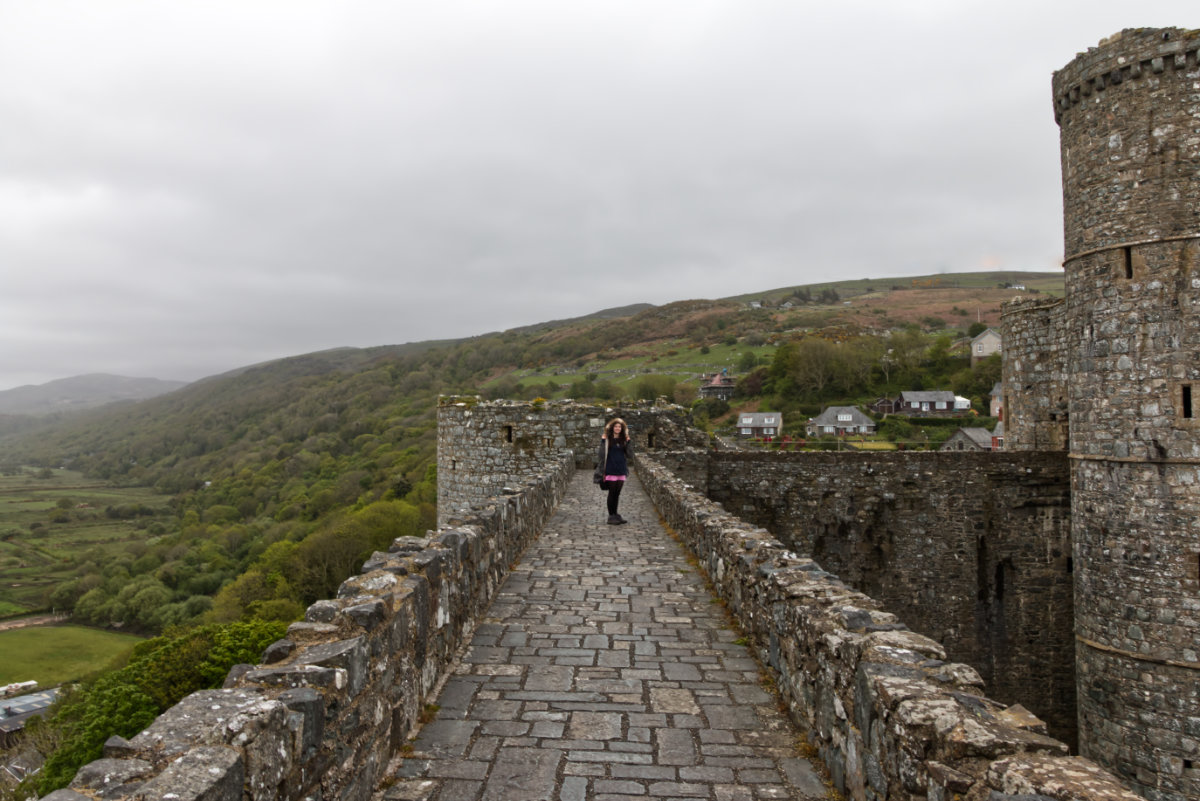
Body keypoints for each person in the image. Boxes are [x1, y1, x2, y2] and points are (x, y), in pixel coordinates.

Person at [595, 417, 631, 525]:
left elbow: (630, 455)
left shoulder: (623, 439)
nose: (617, 428)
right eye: (616, 426)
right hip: (610, 469)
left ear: (622, 428)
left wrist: (629, 442)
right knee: (611, 493)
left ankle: (616, 514)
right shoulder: (607, 439)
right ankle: (611, 516)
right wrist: (602, 441)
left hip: (621, 469)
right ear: (612, 428)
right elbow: (601, 455)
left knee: (617, 494)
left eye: (619, 426)